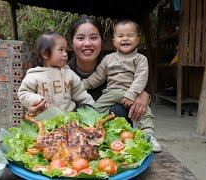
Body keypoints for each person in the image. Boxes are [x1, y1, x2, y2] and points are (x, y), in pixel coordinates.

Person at [27, 17, 161, 152]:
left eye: (93, 37)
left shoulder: (121, 62)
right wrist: (36, 109)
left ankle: (137, 139)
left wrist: (144, 95)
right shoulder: (61, 73)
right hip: (72, 139)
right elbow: (38, 99)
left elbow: (140, 81)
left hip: (114, 138)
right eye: (80, 38)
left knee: (118, 110)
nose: (87, 43)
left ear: (102, 42)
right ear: (71, 44)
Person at [69, 17, 161, 152]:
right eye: (81, 38)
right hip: (111, 93)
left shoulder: (140, 59)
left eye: (130, 36)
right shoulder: (107, 60)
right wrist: (80, 85)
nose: (125, 39)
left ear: (137, 40)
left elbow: (141, 78)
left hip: (129, 93)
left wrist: (141, 94)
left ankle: (148, 135)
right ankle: (87, 134)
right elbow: (97, 77)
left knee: (144, 109)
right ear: (113, 41)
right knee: (93, 110)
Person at [17, 32, 95, 113]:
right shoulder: (34, 76)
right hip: (43, 122)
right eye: (61, 50)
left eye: (66, 50)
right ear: (45, 54)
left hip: (69, 121)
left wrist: (94, 110)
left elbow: (81, 95)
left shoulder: (69, 74)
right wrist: (36, 100)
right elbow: (23, 93)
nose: (65, 54)